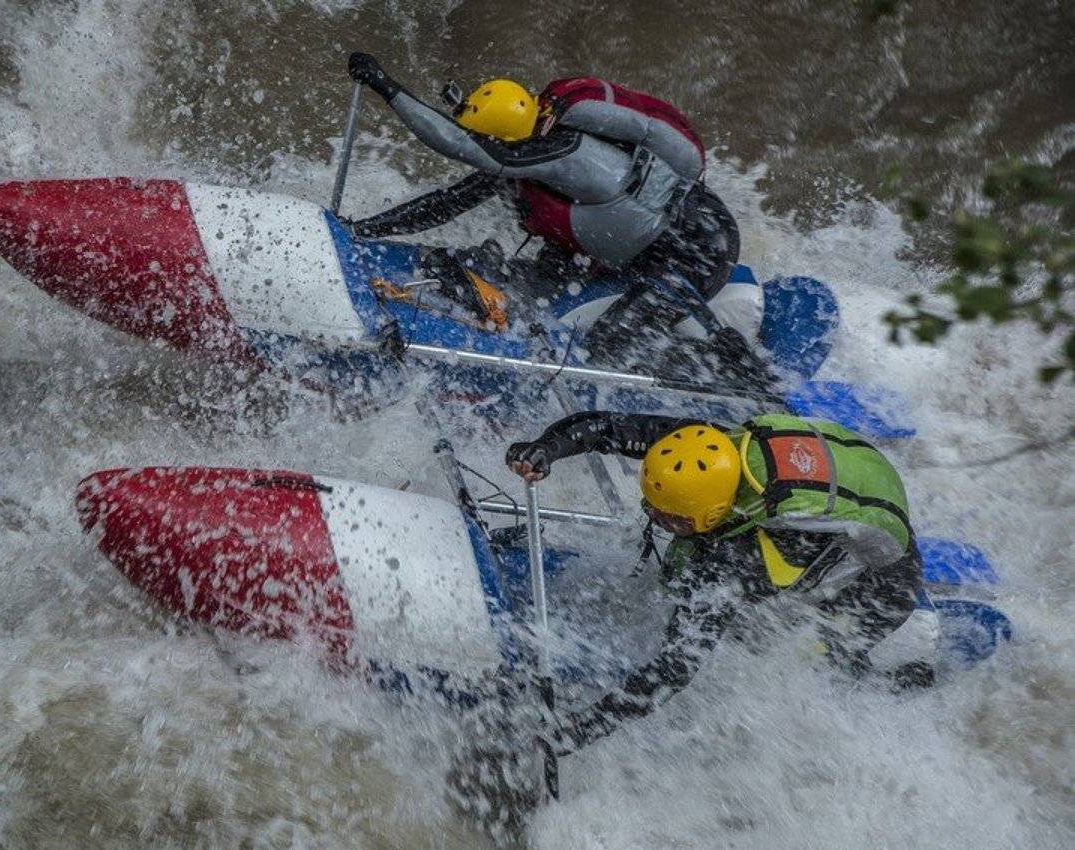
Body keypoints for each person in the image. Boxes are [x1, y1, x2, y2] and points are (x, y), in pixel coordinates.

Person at [503, 409, 928, 756]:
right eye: (652, 507)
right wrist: (547, 448)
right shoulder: (710, 447)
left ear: (714, 514)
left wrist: (582, 729)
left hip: (886, 583)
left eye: (671, 520)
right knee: (695, 578)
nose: (656, 520)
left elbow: (674, 668)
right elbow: (607, 426)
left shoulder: (740, 560)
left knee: (812, 651)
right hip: (859, 474)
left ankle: (874, 681)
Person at [344, 53, 770, 386]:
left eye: (489, 145)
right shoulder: (532, 146)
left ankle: (728, 374)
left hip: (694, 254)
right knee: (517, 281)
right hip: (636, 246)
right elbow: (447, 203)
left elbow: (457, 144)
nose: (487, 154)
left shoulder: (580, 159)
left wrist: (386, 86)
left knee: (608, 345)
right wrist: (361, 231)